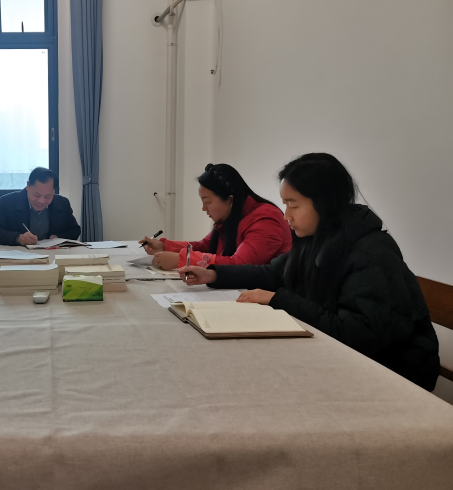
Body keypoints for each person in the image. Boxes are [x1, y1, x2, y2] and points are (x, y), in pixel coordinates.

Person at [180, 153, 440, 391]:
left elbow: (355, 334)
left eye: (293, 205)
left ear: (324, 203)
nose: (286, 216)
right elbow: (272, 273)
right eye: (285, 204)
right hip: (341, 356)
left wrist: (278, 299)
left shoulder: (370, 253)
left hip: (392, 374)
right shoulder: (317, 236)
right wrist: (214, 274)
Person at [140, 163, 292, 270]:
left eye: (207, 201)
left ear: (230, 200)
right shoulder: (232, 215)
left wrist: (184, 260)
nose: (203, 208)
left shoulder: (266, 219)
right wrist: (165, 246)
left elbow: (240, 264)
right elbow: (205, 246)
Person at [0, 167, 81, 246]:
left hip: (52, 255)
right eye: (37, 195)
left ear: (54, 192)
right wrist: (18, 238)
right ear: (28, 186)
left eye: (47, 196)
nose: (41, 201)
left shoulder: (62, 203)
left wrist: (58, 237)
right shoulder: (8, 202)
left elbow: (75, 230)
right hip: (19, 257)